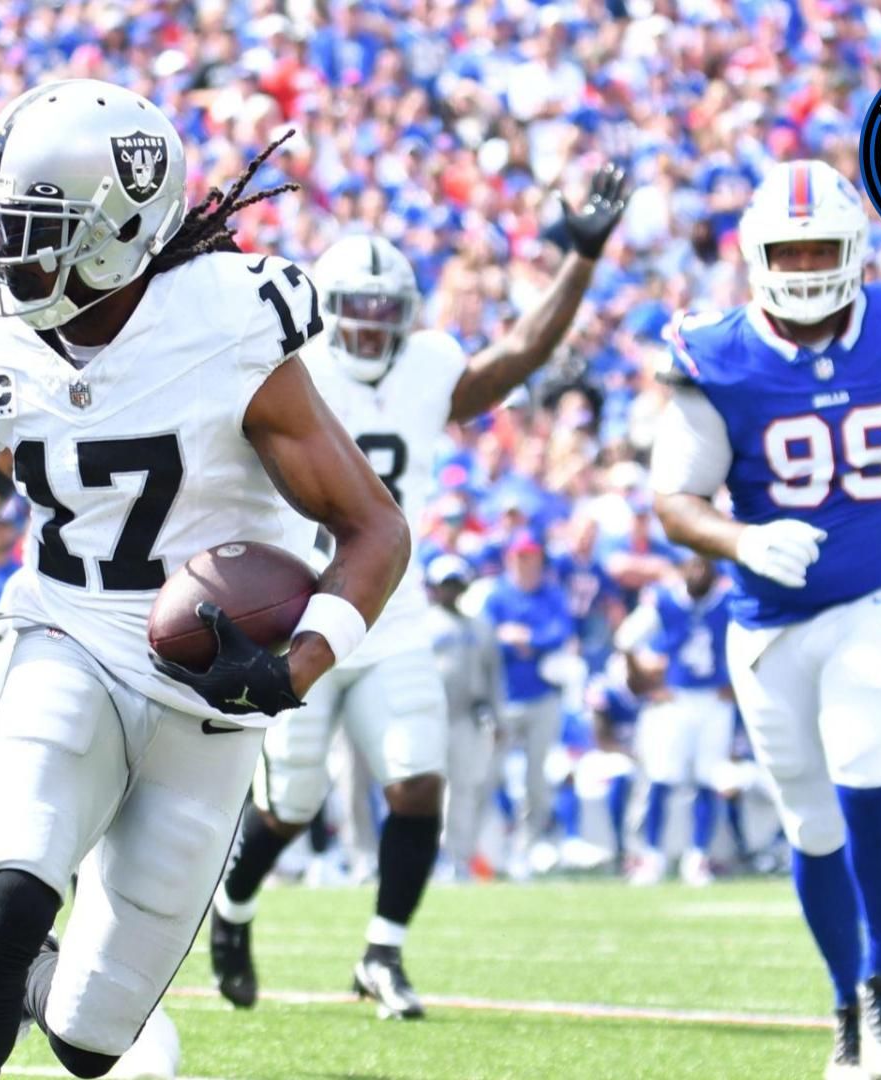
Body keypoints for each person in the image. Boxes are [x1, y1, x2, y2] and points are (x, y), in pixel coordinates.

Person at [0, 82, 409, 1080]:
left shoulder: (230, 323)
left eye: (37, 231)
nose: (6, 258)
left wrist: (294, 670)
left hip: (209, 687)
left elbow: (372, 527)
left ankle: (83, 1007)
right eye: (0, 226)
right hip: (69, 636)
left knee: (90, 1040)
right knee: (11, 892)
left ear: (119, 230)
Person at [210, 174, 628, 1018]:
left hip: (391, 616)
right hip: (297, 613)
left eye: (382, 313)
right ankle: (235, 909)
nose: (368, 328)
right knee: (290, 806)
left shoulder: (431, 365)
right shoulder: (291, 367)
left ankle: (382, 954)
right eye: (353, 312)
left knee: (417, 785)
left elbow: (517, 359)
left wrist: (579, 261)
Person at [650, 159, 881, 1079]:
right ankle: (847, 999)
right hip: (772, 615)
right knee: (810, 822)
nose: (811, 263)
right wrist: (740, 542)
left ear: (857, 249)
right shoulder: (719, 351)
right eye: (793, 248)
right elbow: (674, 497)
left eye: (825, 246)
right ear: (756, 255)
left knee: (868, 767)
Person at [616, 550, 733, 887]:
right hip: (676, 699)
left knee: (710, 780)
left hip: (714, 699)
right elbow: (625, 639)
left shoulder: (727, 601)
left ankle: (697, 857)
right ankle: (653, 855)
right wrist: (644, 680)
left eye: (704, 565)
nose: (698, 571)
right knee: (662, 777)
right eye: (692, 565)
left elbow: (755, 643)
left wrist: (739, 683)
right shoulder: (664, 600)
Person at [478, 531, 578, 879]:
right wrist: (514, 640)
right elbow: (486, 639)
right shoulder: (498, 594)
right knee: (488, 776)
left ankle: (529, 846)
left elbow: (560, 631)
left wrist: (527, 638)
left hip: (541, 697)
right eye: (521, 556)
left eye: (532, 556)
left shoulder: (550, 593)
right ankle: (482, 848)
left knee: (537, 777)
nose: (527, 562)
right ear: (510, 559)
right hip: (503, 699)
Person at [419, 555, 502, 880]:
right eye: (445, 584)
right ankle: (427, 857)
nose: (451, 591)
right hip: (430, 717)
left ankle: (458, 857)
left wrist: (498, 716)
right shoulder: (423, 624)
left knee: (465, 789)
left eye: (456, 584)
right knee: (426, 790)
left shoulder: (480, 626)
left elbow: (494, 675)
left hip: (467, 717)